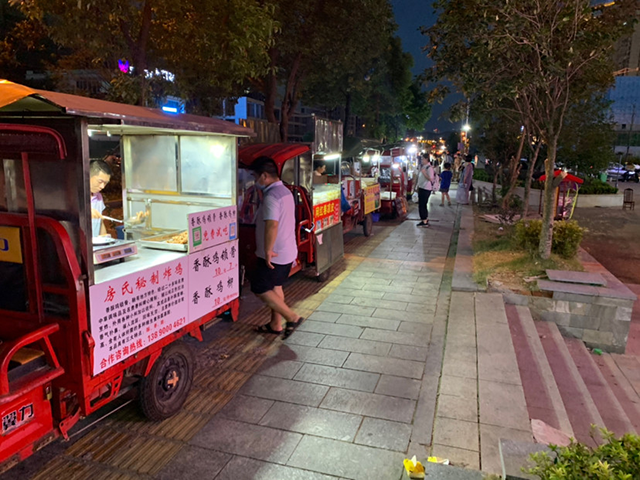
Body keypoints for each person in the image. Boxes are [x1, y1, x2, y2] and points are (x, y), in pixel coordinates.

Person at [250, 156, 304, 338]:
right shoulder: (285, 192)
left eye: (255, 176)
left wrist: (267, 250)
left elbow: (272, 224)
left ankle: (292, 317)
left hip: (274, 253)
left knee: (259, 286)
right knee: (275, 286)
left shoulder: (271, 196)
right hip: (287, 250)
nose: (254, 181)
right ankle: (275, 324)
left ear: (264, 176)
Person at [90, 160, 112, 237]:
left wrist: (105, 240)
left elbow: (100, 222)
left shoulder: (99, 196)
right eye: (100, 181)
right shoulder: (74, 196)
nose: (102, 186)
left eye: (105, 183)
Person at [414, 154, 436, 227]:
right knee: (422, 205)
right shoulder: (423, 167)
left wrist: (424, 173)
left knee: (422, 205)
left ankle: (424, 221)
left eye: (422, 159)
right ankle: (424, 219)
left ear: (426, 159)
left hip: (426, 188)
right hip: (421, 187)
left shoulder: (429, 168)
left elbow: (431, 178)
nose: (421, 160)